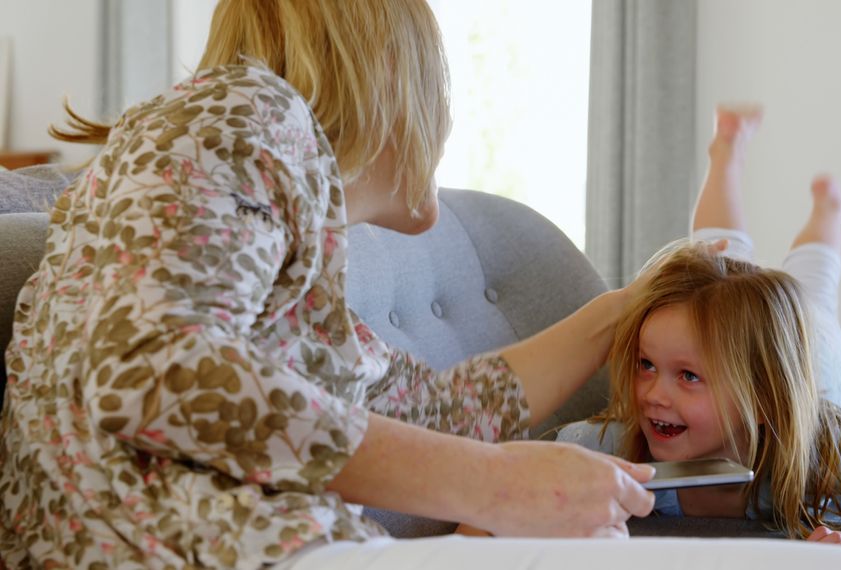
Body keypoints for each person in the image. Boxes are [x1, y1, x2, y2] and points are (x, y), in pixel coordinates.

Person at [0, 1, 658, 568]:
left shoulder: (268, 213)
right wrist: (495, 485)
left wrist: (622, 309)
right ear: (397, 69)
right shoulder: (247, 110)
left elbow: (434, 414)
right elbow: (150, 372)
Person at [555, 107, 841, 553]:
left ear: (763, 400)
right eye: (647, 365)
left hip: (814, 369)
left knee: (813, 295)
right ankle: (726, 153)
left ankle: (830, 211)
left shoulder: (825, 452)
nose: (653, 395)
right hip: (750, 337)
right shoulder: (616, 444)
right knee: (717, 262)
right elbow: (544, 470)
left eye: (687, 376)